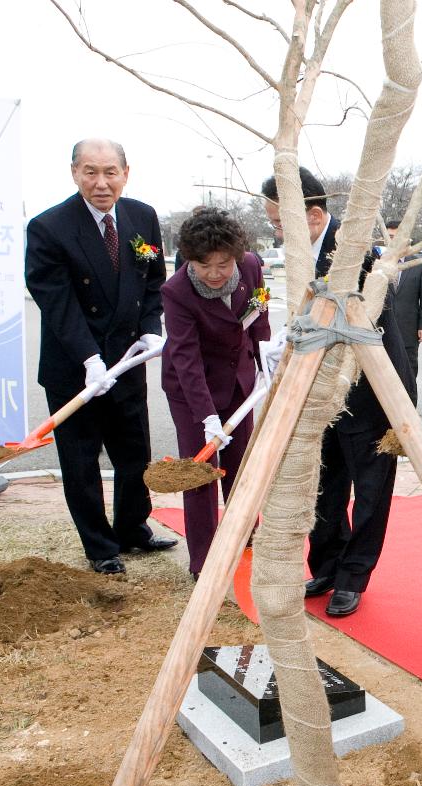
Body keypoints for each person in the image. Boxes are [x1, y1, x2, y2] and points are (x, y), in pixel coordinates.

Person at [262, 168, 414, 617]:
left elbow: (378, 335)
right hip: (314, 393)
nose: (274, 231)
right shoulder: (298, 255)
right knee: (323, 485)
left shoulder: (354, 258)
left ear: (310, 215)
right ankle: (327, 562)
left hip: (365, 393)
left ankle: (354, 576)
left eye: (277, 223)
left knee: (369, 490)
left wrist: (397, 403)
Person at [25, 139, 176, 575]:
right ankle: (100, 546)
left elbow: (152, 280)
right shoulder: (49, 227)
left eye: (110, 172)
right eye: (90, 172)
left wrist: (151, 328)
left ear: (126, 172)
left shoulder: (142, 217)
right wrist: (89, 359)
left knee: (134, 455)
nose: (101, 182)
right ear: (74, 173)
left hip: (126, 360)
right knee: (81, 460)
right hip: (75, 367)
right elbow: (58, 303)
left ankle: (132, 529)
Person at [161, 208, 271, 580]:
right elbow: (185, 357)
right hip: (192, 389)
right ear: (190, 259)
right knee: (201, 471)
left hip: (239, 381)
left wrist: (264, 360)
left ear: (236, 256)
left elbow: (260, 312)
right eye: (203, 265)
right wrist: (207, 417)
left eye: (222, 264)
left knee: (240, 462)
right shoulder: (176, 292)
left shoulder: (253, 268)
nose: (213, 274)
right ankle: (203, 560)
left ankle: (244, 532)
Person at [383, 219, 422, 386]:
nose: (393, 241)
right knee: (386, 374)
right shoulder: (379, 263)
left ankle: (410, 406)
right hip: (383, 329)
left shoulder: (418, 264)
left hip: (408, 330)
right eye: (389, 237)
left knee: (408, 373)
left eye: (396, 237)